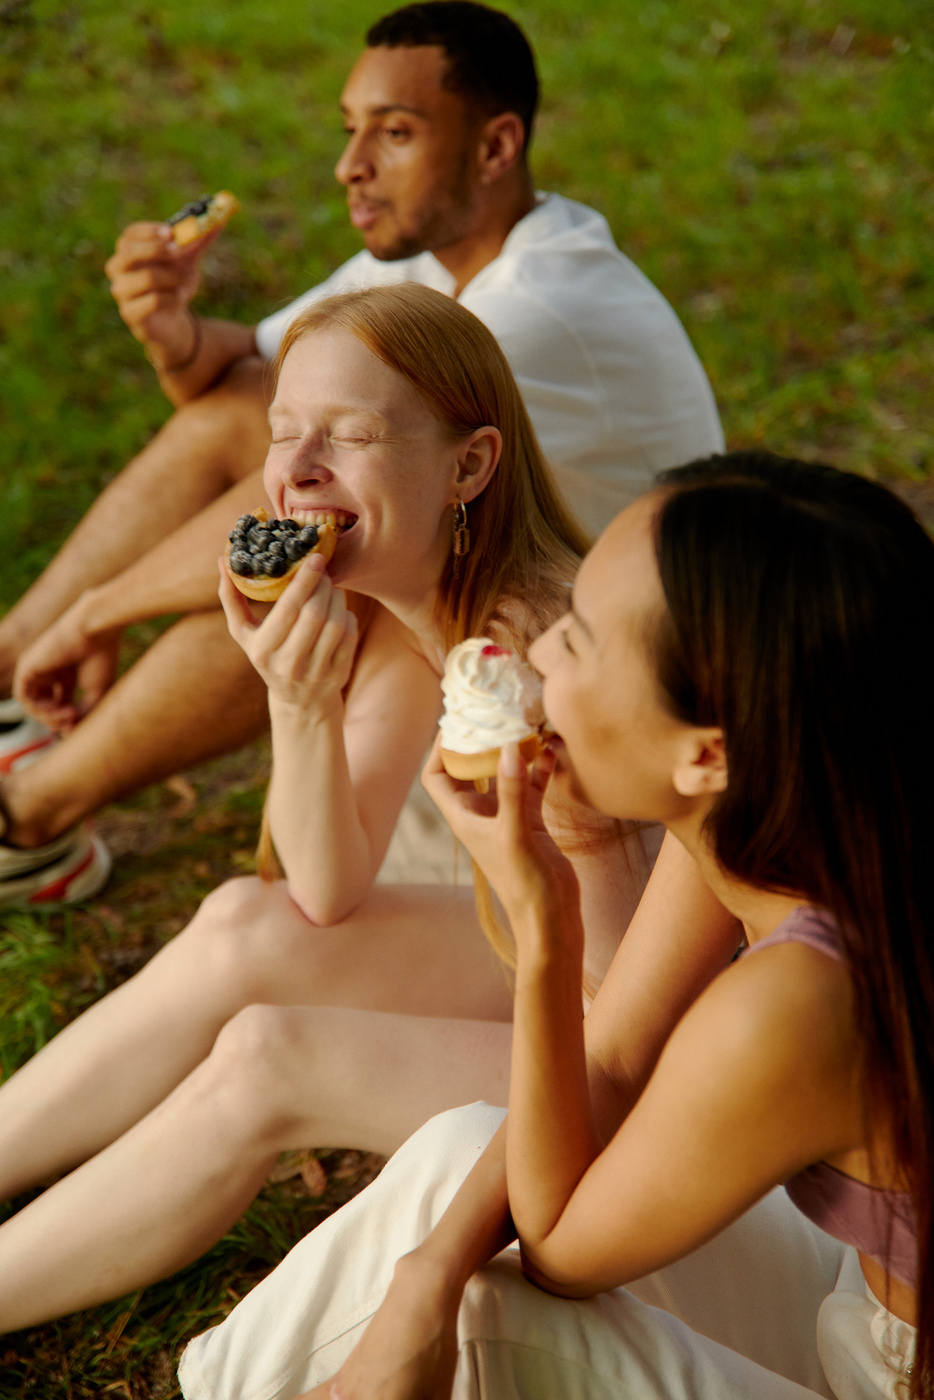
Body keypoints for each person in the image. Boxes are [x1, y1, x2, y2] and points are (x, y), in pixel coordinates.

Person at [177, 452, 931, 1400]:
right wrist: (423, 1275)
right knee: (459, 1169)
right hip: (852, 1300)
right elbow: (610, 1063)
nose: (533, 657)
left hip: (891, 1377)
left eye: (578, 641)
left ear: (706, 753)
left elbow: (563, 1251)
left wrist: (546, 924)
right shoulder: (801, 817)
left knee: (488, 1307)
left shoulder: (799, 1002)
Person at [0, 283, 659, 1333]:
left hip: (646, 1047)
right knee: (241, 922)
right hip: (558, 961)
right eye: (284, 433)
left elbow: (633, 1010)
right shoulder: (420, 607)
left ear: (469, 466)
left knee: (270, 1054)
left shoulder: (537, 665)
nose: (296, 472)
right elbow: (321, 889)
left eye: (349, 437)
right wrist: (296, 699)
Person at [0, 0, 723, 903]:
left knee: (316, 545)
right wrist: (172, 332)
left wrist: (97, 614)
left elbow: (293, 507)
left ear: (495, 149)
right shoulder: (427, 261)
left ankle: (28, 814)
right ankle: (9, 671)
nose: (350, 166)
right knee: (254, 433)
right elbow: (241, 382)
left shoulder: (526, 313)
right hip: (474, 555)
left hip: (602, 634)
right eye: (350, 131)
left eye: (395, 133)